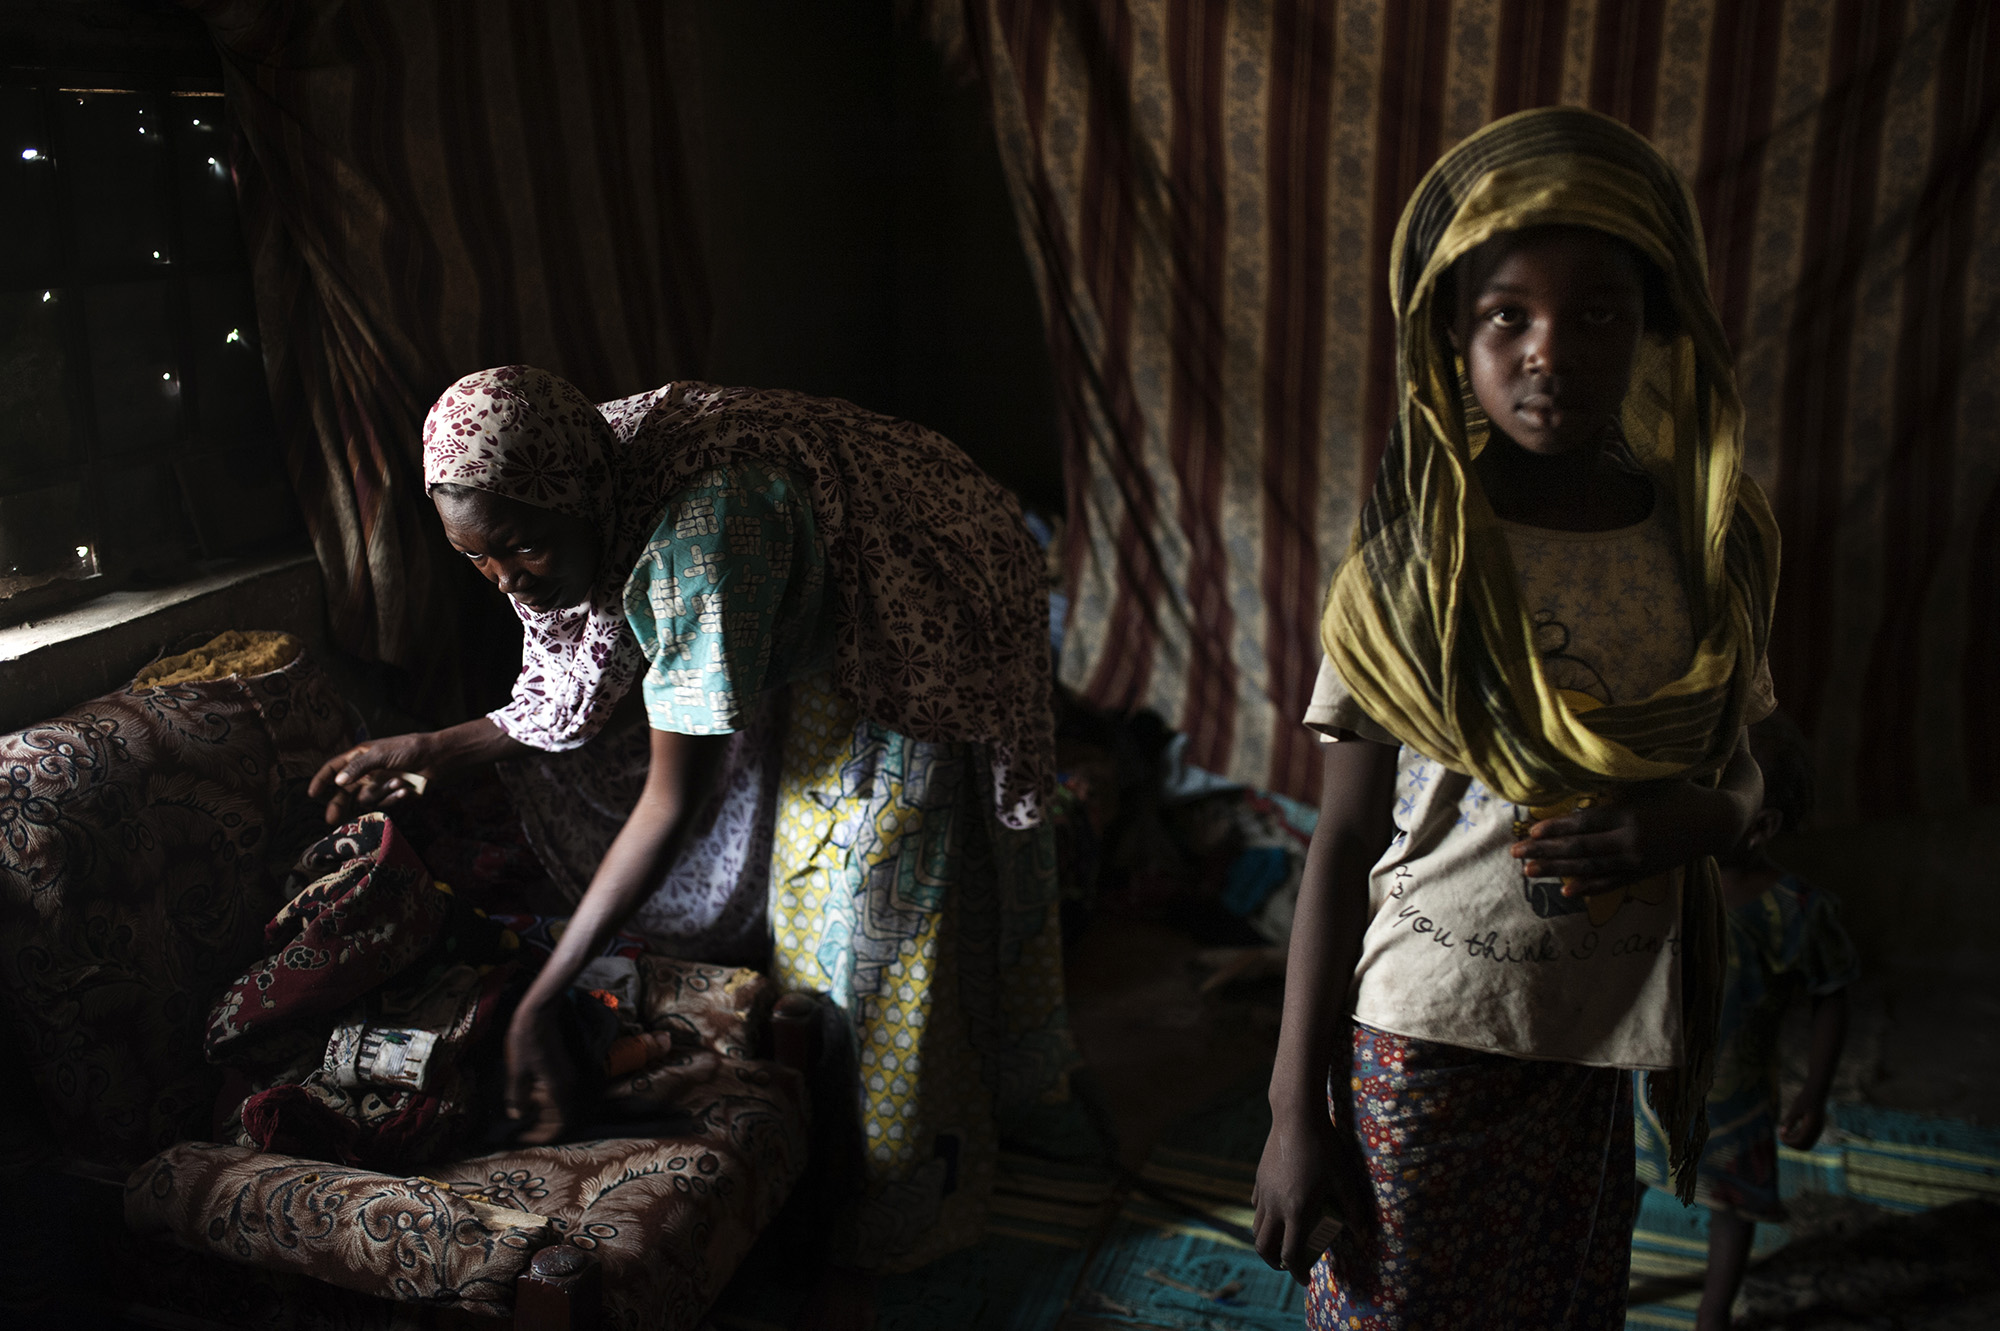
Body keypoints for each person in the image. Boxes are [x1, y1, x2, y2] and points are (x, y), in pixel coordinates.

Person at [306, 368, 1076, 1293]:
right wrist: (438, 745)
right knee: (810, 887)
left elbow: (669, 802)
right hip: (849, 587)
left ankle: (915, 1207)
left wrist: (550, 993)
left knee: (885, 926)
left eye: (520, 550)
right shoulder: (582, 467)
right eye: (478, 558)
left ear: (577, 496)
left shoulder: (705, 537)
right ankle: (871, 1147)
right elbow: (569, 683)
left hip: (931, 598)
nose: (506, 580)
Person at [1250, 106, 1782, 1329]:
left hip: (1600, 1039)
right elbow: (1339, 840)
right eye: (1507, 316)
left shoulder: (1701, 550)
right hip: (1424, 1038)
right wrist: (1291, 1113)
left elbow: (1741, 767)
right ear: (1449, 331)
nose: (1550, 350)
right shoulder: (1409, 571)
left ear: (1655, 325)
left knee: (1559, 1305)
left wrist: (1697, 819)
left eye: (1595, 313)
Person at [1634, 711, 1857, 1330]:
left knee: (1731, 1207)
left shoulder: (1795, 912)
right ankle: (1602, 1283)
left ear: (1758, 827)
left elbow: (1833, 995)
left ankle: (1714, 1315)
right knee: (1618, 1184)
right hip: (1644, 1090)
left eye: (1711, 800)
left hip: (1733, 1103)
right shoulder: (1667, 881)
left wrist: (1813, 1093)